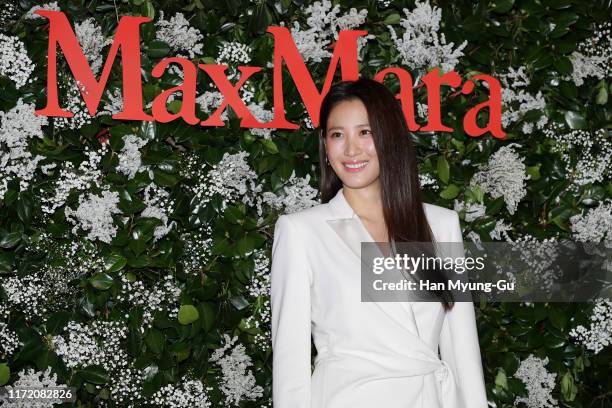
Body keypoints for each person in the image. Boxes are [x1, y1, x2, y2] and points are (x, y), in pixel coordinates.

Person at [270, 77, 488, 408]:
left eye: (365, 132)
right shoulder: (301, 232)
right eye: (337, 135)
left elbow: (462, 351)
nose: (351, 149)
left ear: (389, 139)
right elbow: (290, 365)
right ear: (325, 147)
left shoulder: (441, 225)